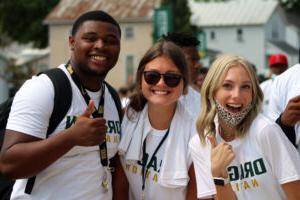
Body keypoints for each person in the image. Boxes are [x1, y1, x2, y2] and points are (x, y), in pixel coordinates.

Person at [0, 10, 127, 200]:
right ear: (72, 43)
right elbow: (9, 165)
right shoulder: (44, 88)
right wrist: (70, 137)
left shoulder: (112, 97)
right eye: (90, 38)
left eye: (110, 40)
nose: (100, 46)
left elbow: (111, 163)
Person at [189, 54, 300, 200]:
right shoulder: (201, 143)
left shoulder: (265, 131)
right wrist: (219, 174)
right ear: (212, 90)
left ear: (253, 94)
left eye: (245, 87)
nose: (236, 95)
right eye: (227, 85)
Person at [118, 40, 197, 200]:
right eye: (152, 76)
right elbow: (120, 186)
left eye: (172, 78)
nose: (161, 83)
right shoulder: (125, 118)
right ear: (141, 79)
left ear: (184, 84)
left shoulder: (196, 133)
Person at [162, 32, 201, 118]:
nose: (198, 65)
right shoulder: (150, 100)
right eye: (193, 59)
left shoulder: (200, 102)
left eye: (198, 60)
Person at [268, 63, 300, 153]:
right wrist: (284, 123)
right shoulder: (282, 80)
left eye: (281, 66)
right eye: (275, 66)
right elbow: (272, 138)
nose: (278, 69)